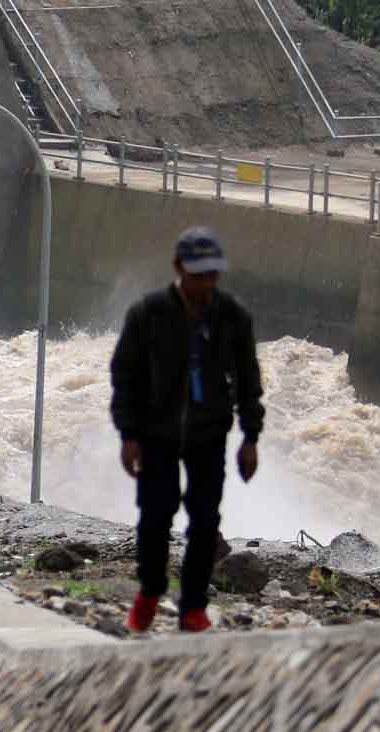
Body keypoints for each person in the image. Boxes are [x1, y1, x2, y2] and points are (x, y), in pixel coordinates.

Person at [109, 226, 264, 633]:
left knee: (205, 521)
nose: (207, 283)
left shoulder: (232, 317)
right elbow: (125, 376)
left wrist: (251, 437)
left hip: (209, 434)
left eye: (213, 274)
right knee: (155, 517)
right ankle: (149, 592)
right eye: (199, 274)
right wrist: (128, 435)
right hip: (156, 434)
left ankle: (193, 606)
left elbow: (248, 380)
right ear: (179, 268)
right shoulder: (148, 314)